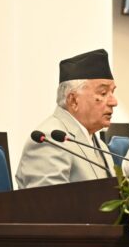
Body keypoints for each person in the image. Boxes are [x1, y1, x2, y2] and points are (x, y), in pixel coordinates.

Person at [16, 49, 117, 189]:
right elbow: (48, 201)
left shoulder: (100, 145)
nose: (114, 102)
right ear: (73, 100)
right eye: (103, 93)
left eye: (113, 92)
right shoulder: (50, 141)